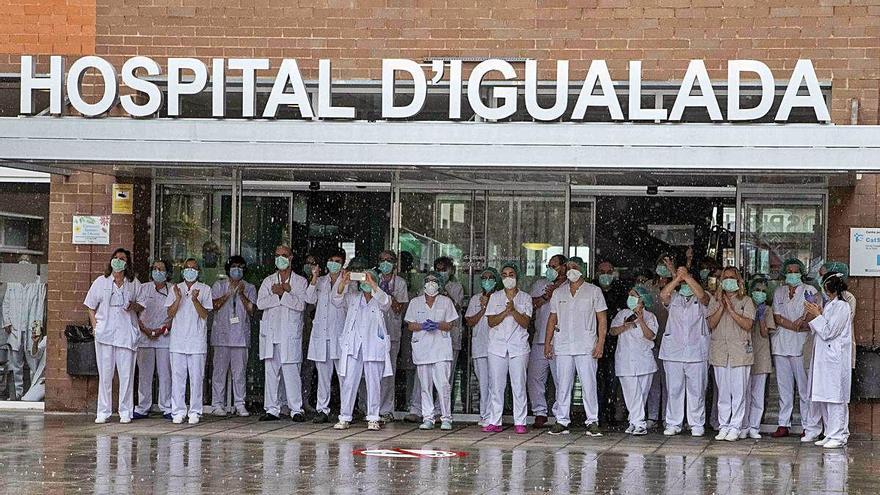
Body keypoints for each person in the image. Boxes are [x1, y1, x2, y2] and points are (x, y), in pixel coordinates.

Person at [544, 257, 607, 436]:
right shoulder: (559, 293)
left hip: (586, 345)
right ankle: (562, 421)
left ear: (583, 269)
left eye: (575, 267)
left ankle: (592, 421)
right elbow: (552, 318)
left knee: (589, 384)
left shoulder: (594, 291)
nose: (571, 270)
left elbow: (602, 319)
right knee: (562, 384)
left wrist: (600, 343)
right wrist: (548, 342)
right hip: (563, 344)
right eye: (569, 267)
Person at [256, 245, 318, 421]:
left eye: (284, 255)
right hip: (271, 334)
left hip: (289, 334)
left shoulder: (300, 281)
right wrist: (279, 296)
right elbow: (260, 303)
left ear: (291, 258)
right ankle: (271, 409)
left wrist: (282, 294)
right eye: (277, 255)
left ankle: (296, 409)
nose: (280, 258)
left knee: (291, 373)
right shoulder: (268, 281)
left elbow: (300, 305)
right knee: (271, 372)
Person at [332, 268, 394, 431]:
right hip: (354, 345)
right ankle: (344, 416)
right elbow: (336, 300)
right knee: (349, 382)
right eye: (363, 280)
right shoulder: (353, 297)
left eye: (368, 279)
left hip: (373, 345)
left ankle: (373, 417)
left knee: (374, 383)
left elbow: (386, 303)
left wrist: (373, 284)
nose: (365, 282)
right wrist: (343, 283)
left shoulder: (379, 298)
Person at [84, 248, 141, 424]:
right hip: (105, 334)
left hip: (126, 334)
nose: (118, 261)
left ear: (127, 263)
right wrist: (96, 327)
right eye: (115, 258)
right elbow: (90, 306)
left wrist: (133, 306)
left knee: (126, 375)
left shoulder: (133, 283)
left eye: (122, 258)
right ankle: (103, 411)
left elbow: (142, 306)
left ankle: (125, 411)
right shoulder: (101, 282)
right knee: (106, 374)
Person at [658, 265, 711, 437]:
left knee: (697, 390)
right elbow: (663, 295)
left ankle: (696, 423)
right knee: (674, 389)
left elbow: (702, 296)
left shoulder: (703, 297)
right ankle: (674, 423)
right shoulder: (674, 297)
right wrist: (677, 278)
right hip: (674, 351)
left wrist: (686, 276)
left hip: (697, 351)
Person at [803, 271, 852, 449]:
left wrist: (817, 315)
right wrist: (819, 313)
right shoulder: (831, 305)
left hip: (835, 360)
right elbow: (820, 328)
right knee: (824, 397)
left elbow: (829, 332)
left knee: (836, 399)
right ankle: (830, 432)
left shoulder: (842, 306)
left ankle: (838, 435)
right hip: (825, 360)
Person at [404, 272, 459, 430]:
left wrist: (437, 325)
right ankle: (428, 417)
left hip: (441, 349)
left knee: (443, 384)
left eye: (434, 281)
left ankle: (446, 417)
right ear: (424, 283)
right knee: (425, 385)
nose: (431, 284)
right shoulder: (415, 302)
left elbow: (450, 324)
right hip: (422, 348)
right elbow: (410, 324)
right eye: (428, 281)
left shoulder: (446, 301)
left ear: (440, 285)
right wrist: (422, 326)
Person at [770, 258, 818, 438]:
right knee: (784, 387)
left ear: (801, 273)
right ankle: (783, 424)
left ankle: (808, 425)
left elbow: (812, 315)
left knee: (804, 388)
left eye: (795, 271)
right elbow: (777, 317)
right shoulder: (779, 291)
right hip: (781, 344)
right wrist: (794, 325)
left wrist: (800, 324)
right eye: (789, 271)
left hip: (800, 345)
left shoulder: (809, 290)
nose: (792, 274)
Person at [707, 267, 756, 442]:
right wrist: (722, 306)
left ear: (738, 280)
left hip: (740, 352)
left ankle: (736, 426)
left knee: (739, 391)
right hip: (720, 352)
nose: (728, 280)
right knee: (723, 392)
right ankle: (724, 425)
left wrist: (732, 310)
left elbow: (748, 324)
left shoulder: (747, 300)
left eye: (731, 277)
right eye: (725, 278)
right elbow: (711, 324)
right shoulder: (714, 300)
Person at [483, 263, 533, 434]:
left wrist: (514, 310)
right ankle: (494, 420)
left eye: (511, 274)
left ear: (517, 276)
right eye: (504, 275)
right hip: (497, 346)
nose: (508, 278)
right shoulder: (495, 297)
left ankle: (520, 421)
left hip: (518, 347)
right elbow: (491, 322)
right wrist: (505, 312)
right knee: (496, 386)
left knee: (518, 385)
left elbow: (526, 323)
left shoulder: (526, 298)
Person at [165, 258, 213, 425]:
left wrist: (194, 300)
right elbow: (170, 314)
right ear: (183, 270)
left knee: (196, 378)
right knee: (177, 378)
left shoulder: (205, 289)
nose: (190, 271)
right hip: (178, 341)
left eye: (193, 268)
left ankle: (195, 411)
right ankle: (177, 411)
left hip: (196, 342)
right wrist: (178, 298)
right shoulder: (175, 288)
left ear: (198, 271)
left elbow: (205, 315)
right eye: (187, 268)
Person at [209, 255, 256, 417]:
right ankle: (217, 404)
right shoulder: (219, 285)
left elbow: (251, 310)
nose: (237, 270)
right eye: (234, 267)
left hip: (240, 337)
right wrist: (228, 294)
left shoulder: (249, 287)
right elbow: (214, 306)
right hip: (221, 335)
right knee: (219, 372)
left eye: (240, 267)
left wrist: (241, 294)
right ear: (228, 269)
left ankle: (239, 404)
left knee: (239, 373)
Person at [306, 248, 349, 424]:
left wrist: (344, 282)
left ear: (343, 263)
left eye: (337, 261)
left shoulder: (348, 282)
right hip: (321, 335)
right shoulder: (320, 282)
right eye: (331, 260)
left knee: (343, 376)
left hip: (339, 334)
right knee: (323, 375)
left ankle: (346, 411)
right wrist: (314, 278)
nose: (334, 263)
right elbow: (309, 299)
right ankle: (322, 409)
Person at [610, 285, 659, 435]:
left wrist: (641, 320)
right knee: (632, 393)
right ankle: (640, 424)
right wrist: (625, 326)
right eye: (630, 295)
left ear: (642, 300)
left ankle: (634, 421)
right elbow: (612, 331)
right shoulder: (623, 314)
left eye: (634, 296)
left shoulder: (650, 316)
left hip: (644, 360)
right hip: (625, 360)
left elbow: (651, 335)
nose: (630, 298)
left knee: (641, 394)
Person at [527, 254, 566, 428]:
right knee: (535, 377)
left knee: (561, 379)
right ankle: (540, 412)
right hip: (540, 338)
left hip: (560, 340)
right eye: (549, 266)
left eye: (555, 266)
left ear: (563, 267)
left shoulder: (569, 286)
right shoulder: (540, 285)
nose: (551, 269)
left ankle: (560, 414)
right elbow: (530, 305)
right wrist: (545, 297)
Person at [134, 259, 173, 420]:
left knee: (165, 374)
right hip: (144, 336)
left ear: (167, 273)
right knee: (145, 374)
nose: (158, 272)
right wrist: (146, 330)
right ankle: (143, 406)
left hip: (164, 336)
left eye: (161, 269)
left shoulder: (173, 290)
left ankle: (167, 406)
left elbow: (174, 313)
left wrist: (162, 329)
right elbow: (135, 313)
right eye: (155, 268)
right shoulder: (143, 288)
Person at [464, 267, 500, 427]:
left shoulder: (500, 298)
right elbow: (470, 321)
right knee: (484, 382)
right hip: (480, 346)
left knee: (496, 382)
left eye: (490, 277)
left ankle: (494, 415)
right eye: (484, 278)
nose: (487, 281)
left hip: (497, 345)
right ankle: (485, 414)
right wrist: (484, 309)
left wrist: (490, 304)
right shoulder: (475, 299)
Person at [376, 249, 409, 423]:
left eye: (389, 260)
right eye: (382, 260)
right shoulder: (373, 279)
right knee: (372, 372)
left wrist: (386, 295)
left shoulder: (400, 283)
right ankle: (370, 407)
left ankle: (386, 409)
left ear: (394, 263)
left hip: (392, 332)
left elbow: (398, 308)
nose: (385, 263)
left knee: (388, 373)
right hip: (374, 334)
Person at [596, 259, 629, 424]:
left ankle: (609, 413)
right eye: (602, 272)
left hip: (614, 342)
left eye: (609, 272)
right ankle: (596, 414)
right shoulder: (593, 289)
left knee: (612, 380)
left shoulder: (620, 291)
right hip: (594, 340)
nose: (605, 276)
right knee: (595, 380)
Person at [741, 275, 774, 439]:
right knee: (744, 393)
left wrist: (761, 317)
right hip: (744, 353)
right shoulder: (745, 305)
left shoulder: (767, 310)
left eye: (762, 291)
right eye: (756, 290)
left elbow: (764, 333)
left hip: (761, 355)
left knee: (757, 394)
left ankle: (754, 426)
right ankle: (743, 425)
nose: (759, 293)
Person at [434, 256, 464, 407]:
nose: (441, 273)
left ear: (451, 270)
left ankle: (442, 408)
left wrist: (444, 291)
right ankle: (421, 408)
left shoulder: (456, 287)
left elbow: (457, 308)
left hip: (450, 336)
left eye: (444, 270)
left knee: (447, 375)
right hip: (431, 337)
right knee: (426, 376)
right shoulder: (429, 285)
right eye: (438, 270)